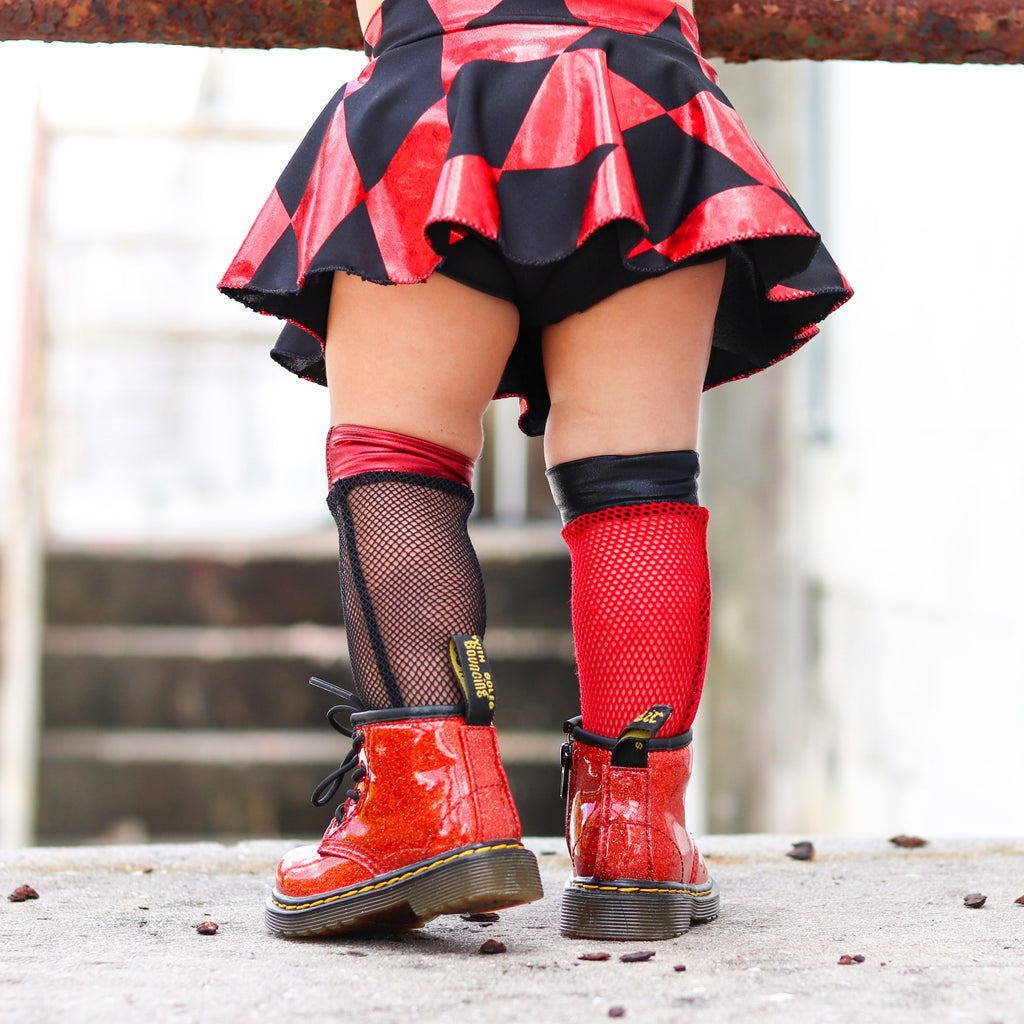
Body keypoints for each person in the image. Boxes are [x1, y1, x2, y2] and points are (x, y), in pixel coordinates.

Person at [219, 0, 851, 942]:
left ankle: (433, 806)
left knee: (400, 455)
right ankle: (634, 827)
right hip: (640, 99)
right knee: (638, 482)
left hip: (435, 97)